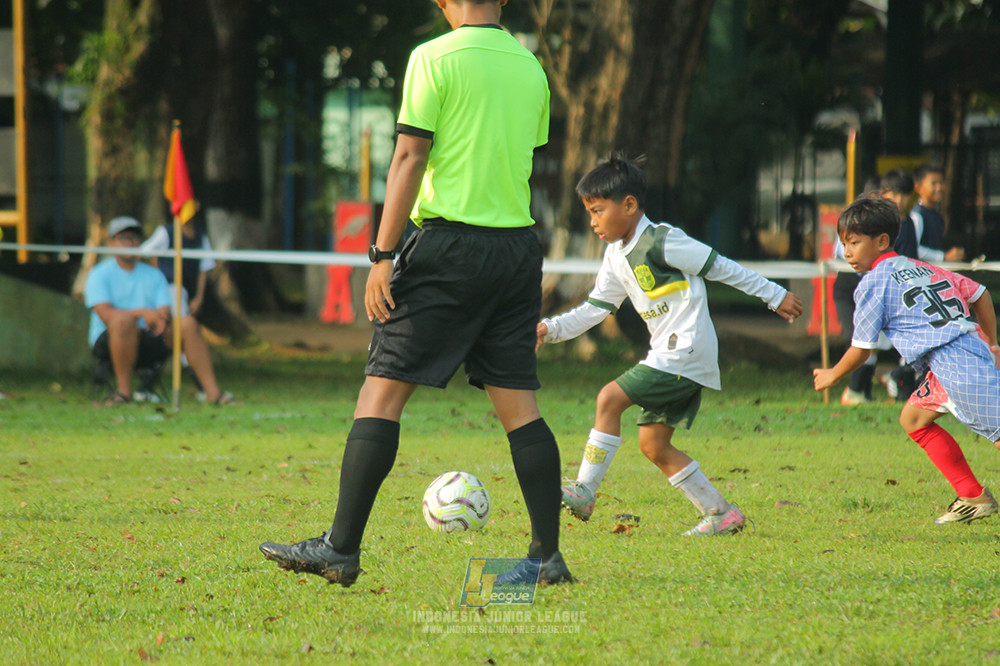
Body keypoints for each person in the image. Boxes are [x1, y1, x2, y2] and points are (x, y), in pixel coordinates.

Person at [259, 0, 572, 586]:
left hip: (448, 248)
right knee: (519, 406)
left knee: (380, 395)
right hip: (515, 250)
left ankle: (340, 549)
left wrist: (380, 255)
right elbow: (522, 155)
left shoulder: (432, 58)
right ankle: (545, 556)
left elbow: (409, 154)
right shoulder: (531, 67)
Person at [537, 156, 803, 534]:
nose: (593, 221)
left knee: (608, 399)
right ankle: (721, 513)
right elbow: (597, 308)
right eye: (589, 213)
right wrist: (550, 328)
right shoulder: (615, 255)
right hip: (669, 354)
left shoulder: (662, 239)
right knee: (654, 445)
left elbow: (721, 266)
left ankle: (584, 489)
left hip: (686, 350)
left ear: (629, 205)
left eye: (598, 211)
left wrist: (773, 295)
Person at [814, 197, 1000, 525]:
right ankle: (972, 495)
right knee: (913, 420)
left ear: (882, 241)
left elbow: (862, 349)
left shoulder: (873, 283)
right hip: (957, 356)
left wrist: (833, 374)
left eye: (854, 243)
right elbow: (980, 293)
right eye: (844, 244)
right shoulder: (923, 268)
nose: (847, 252)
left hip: (957, 366)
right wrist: (993, 342)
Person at [84, 216, 236, 406]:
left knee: (187, 323)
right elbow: (105, 314)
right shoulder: (99, 274)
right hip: (110, 339)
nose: (130, 243)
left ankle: (214, 394)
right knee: (123, 322)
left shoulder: (154, 274)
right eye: (124, 238)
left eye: (134, 238)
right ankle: (123, 392)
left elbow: (164, 309)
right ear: (111, 242)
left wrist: (160, 318)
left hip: (149, 337)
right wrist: (143, 313)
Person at [833, 170, 919, 405]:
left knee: (875, 342)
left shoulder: (908, 224)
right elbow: (838, 253)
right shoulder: (856, 225)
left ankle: (861, 391)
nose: (900, 200)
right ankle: (855, 390)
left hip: (886, 290)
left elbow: (910, 257)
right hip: (854, 287)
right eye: (894, 194)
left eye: (905, 194)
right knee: (863, 341)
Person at [910, 162, 965, 264]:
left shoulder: (937, 216)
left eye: (941, 182)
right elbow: (914, 248)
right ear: (918, 187)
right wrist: (944, 256)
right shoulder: (917, 216)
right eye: (933, 183)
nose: (939, 187)